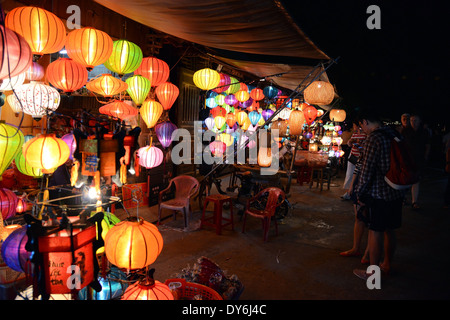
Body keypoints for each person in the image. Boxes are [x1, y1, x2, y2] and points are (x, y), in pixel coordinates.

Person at [352, 109, 405, 280]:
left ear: (365, 121)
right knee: (390, 230)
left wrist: (359, 193)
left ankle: (372, 275)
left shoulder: (374, 138)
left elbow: (366, 170)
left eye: (362, 125)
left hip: (378, 193)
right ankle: (387, 264)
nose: (363, 129)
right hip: (396, 191)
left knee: (375, 231)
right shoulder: (393, 133)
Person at [402, 114, 431, 209]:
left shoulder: (424, 132)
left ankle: (414, 201)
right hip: (407, 159)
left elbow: (427, 145)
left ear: (419, 121)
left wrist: (425, 156)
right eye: (411, 120)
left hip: (418, 159)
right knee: (405, 179)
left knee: (416, 180)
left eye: (415, 120)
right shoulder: (405, 131)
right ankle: (403, 198)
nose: (413, 122)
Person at [341, 122, 366, 200]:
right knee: (349, 175)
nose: (353, 127)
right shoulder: (354, 134)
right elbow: (350, 144)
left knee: (357, 176)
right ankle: (349, 192)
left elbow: (364, 148)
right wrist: (350, 142)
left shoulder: (365, 134)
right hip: (352, 156)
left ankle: (353, 193)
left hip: (360, 157)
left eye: (354, 125)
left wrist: (358, 145)